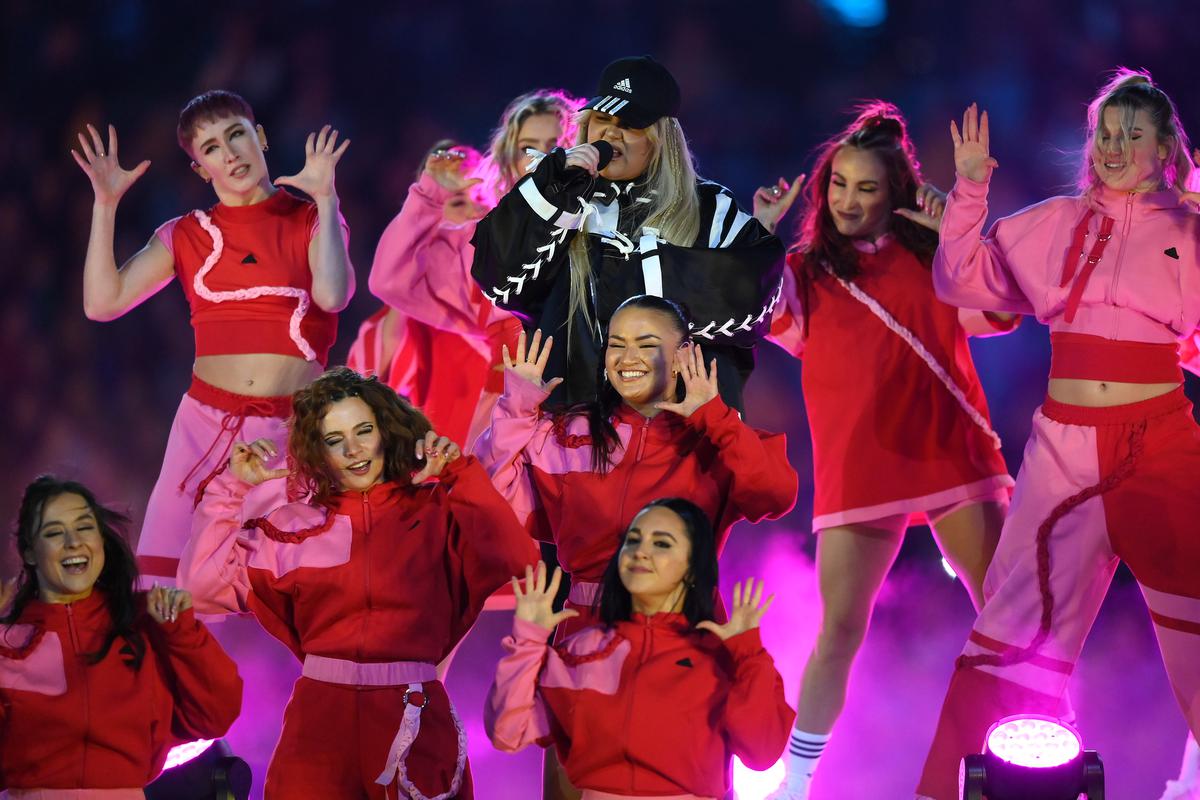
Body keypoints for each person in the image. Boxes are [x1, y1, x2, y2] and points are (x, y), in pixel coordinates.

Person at [916, 70, 1200, 800]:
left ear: (1166, 148)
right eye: (1106, 134)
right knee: (1013, 637)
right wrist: (970, 189)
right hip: (1063, 451)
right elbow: (962, 280)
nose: (1114, 146)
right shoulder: (1055, 221)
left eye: (1133, 135)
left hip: (1161, 445)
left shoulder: (1189, 232)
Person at [752, 102, 1017, 800]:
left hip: (951, 452)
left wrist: (957, 231)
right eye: (838, 185)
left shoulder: (934, 254)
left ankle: (1046, 746)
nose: (848, 200)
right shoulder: (804, 270)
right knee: (838, 630)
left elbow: (1000, 310)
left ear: (897, 190)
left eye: (866, 188)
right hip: (860, 467)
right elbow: (743, 313)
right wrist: (756, 236)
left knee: (1004, 612)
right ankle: (795, 784)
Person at [178, 366, 538, 799]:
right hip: (320, 729)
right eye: (334, 440)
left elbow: (516, 559)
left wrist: (458, 473)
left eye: (364, 430)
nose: (353, 450)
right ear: (318, 452)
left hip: (415, 718)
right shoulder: (293, 527)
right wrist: (229, 490)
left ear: (386, 430)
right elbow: (200, 588)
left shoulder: (439, 510)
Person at [70, 89, 355, 582]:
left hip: (284, 431)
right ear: (201, 168)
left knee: (273, 585)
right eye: (212, 149)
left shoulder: (311, 219)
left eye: (237, 135)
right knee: (160, 586)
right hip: (200, 427)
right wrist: (105, 204)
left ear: (259, 137)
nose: (230, 153)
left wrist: (327, 197)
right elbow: (102, 303)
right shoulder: (185, 233)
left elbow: (334, 296)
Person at [470, 56, 785, 412]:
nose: (610, 134)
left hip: (672, 440)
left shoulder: (710, 209)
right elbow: (496, 277)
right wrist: (553, 189)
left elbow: (757, 293)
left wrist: (639, 272)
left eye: (629, 125)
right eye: (602, 119)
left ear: (660, 139)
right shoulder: (563, 201)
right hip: (569, 435)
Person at [474, 294, 798, 639]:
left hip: (686, 643)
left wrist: (716, 418)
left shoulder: (714, 438)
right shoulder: (569, 434)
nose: (628, 358)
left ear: (681, 356)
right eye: (617, 344)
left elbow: (774, 496)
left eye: (646, 345)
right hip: (587, 636)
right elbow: (491, 497)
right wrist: (517, 409)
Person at [485, 498, 794, 799]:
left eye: (661, 544)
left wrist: (749, 655)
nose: (640, 552)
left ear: (692, 566)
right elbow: (507, 732)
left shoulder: (720, 661)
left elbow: (762, 752)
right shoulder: (583, 651)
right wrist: (529, 640)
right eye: (633, 541)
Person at [350, 90, 580, 447]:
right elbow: (388, 280)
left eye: (555, 145)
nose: (542, 158)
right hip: (502, 419)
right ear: (509, 160)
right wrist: (428, 197)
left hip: (580, 408)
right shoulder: (481, 241)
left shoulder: (599, 227)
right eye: (528, 147)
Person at [0, 475, 242, 798]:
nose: (73, 542)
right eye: (54, 532)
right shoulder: (9, 643)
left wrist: (180, 633)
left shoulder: (146, 623)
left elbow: (216, 714)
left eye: (84, 527)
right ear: (29, 553)